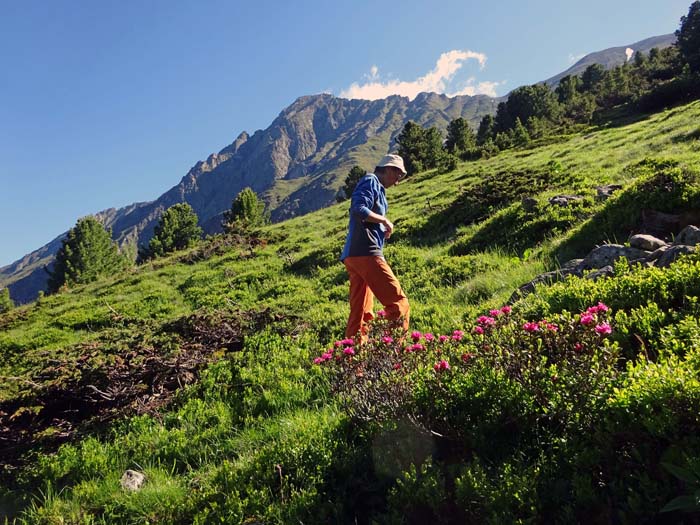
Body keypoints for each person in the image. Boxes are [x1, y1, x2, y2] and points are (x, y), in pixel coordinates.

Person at [340, 154, 410, 341]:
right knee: (399, 303)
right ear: (389, 169)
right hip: (367, 253)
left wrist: (380, 227)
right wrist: (384, 220)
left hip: (353, 256)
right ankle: (394, 354)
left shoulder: (376, 187)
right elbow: (358, 209)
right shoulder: (371, 180)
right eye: (398, 175)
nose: (397, 182)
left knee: (361, 312)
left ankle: (354, 362)